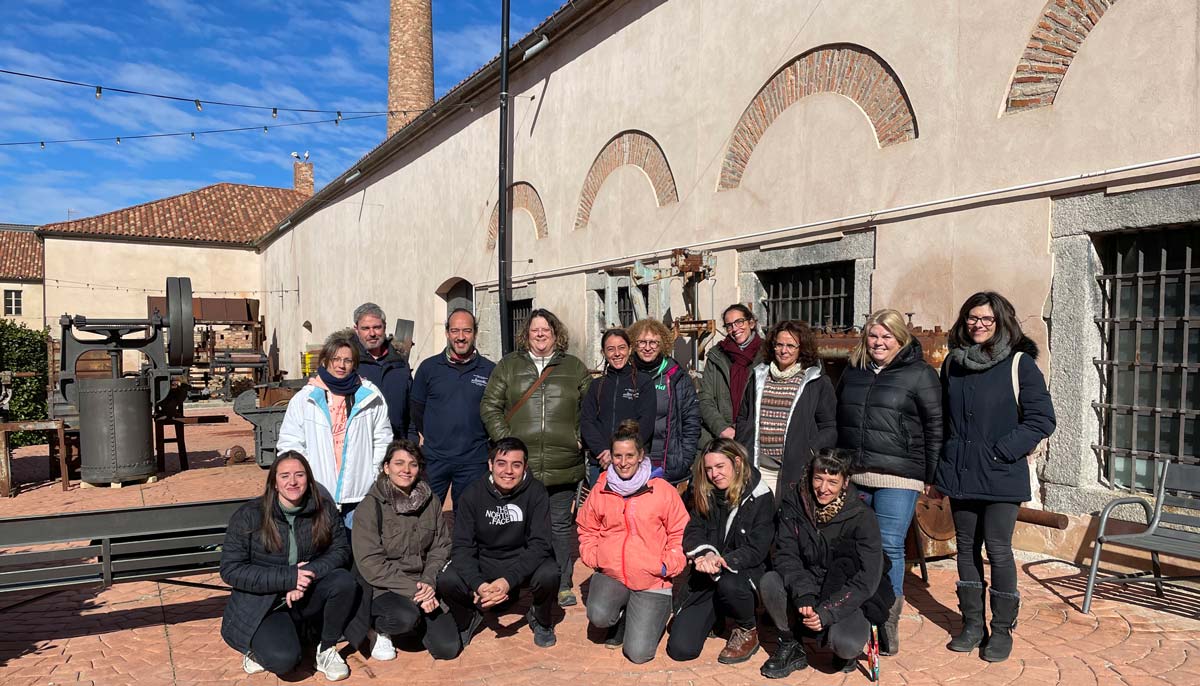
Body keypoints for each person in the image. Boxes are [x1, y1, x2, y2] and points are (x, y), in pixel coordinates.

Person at [936, 292, 1055, 663]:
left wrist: (1002, 451)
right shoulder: (953, 365)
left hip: (1001, 473)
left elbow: (1042, 419)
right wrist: (942, 463)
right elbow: (944, 419)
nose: (979, 325)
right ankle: (973, 625)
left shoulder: (1020, 364)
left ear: (1001, 322)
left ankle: (1001, 630)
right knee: (966, 548)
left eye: (987, 319)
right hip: (960, 472)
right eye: (972, 318)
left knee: (999, 550)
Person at [835, 308, 943, 655]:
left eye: (887, 337)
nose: (879, 342)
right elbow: (839, 417)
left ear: (900, 339)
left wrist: (931, 475)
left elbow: (935, 426)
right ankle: (856, 607)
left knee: (891, 546)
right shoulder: (854, 372)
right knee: (854, 543)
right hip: (856, 471)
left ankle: (886, 620)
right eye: (873, 336)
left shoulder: (920, 374)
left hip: (900, 474)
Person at [480, 309, 591, 607]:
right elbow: (490, 405)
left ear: (556, 334)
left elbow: (589, 407)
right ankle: (515, 581)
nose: (540, 335)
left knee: (558, 526)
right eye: (534, 330)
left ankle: (562, 581)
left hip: (562, 463)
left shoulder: (574, 367)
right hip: (519, 468)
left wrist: (579, 436)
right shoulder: (508, 366)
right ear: (526, 334)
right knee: (517, 524)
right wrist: (506, 442)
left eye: (546, 330)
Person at [759, 448, 894, 679]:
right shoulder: (794, 505)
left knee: (846, 644)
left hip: (844, 589)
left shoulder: (862, 516)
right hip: (806, 583)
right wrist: (804, 594)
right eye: (818, 478)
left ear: (845, 482)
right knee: (770, 581)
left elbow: (867, 577)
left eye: (832, 481)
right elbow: (785, 554)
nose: (823, 488)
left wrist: (828, 612)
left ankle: (843, 651)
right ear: (810, 475)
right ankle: (791, 643)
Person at [220, 451, 355, 681]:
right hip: (265, 604)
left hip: (305, 595)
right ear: (274, 482)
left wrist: (305, 575)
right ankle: (257, 647)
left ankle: (326, 649)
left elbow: (340, 550)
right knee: (284, 661)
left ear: (309, 480)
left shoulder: (323, 509)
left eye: (299, 475)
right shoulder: (249, 516)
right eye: (284, 476)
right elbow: (231, 569)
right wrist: (289, 577)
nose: (292, 482)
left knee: (343, 581)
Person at [576, 419, 689, 664]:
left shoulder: (661, 489)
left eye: (629, 455)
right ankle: (619, 613)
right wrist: (595, 556)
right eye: (617, 455)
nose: (623, 462)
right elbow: (586, 527)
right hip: (613, 573)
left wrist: (666, 566)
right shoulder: (601, 488)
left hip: (652, 578)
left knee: (638, 654)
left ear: (641, 456)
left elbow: (680, 531)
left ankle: (635, 615)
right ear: (611, 457)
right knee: (598, 615)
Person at [437, 437, 559, 649]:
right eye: (501, 463)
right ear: (491, 465)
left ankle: (541, 620)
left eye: (516, 465)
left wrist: (508, 581)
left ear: (525, 467)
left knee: (550, 572)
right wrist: (479, 584)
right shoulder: (472, 494)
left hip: (521, 561)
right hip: (485, 562)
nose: (508, 471)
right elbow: (462, 547)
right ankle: (467, 619)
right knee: (447, 578)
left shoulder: (536, 492)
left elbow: (540, 544)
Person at [348, 440, 460, 662]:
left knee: (448, 649)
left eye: (413, 464)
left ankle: (417, 622)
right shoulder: (370, 507)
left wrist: (428, 581)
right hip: (385, 586)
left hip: (423, 582)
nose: (406, 470)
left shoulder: (431, 500)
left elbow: (441, 545)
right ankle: (377, 628)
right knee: (404, 618)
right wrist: (415, 591)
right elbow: (371, 563)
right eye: (399, 463)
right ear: (386, 467)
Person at [666, 437, 773, 665]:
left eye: (720, 466)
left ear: (737, 462)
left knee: (729, 584)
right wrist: (705, 554)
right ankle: (715, 616)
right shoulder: (704, 492)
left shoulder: (760, 496)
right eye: (709, 469)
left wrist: (722, 560)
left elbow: (757, 548)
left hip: (742, 576)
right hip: (708, 575)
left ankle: (747, 627)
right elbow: (693, 530)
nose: (714, 474)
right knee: (680, 649)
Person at [277, 329, 393, 524]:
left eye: (347, 360)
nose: (341, 365)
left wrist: (373, 475)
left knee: (358, 549)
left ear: (354, 363)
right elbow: (291, 443)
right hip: (319, 493)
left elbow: (382, 439)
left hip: (360, 495)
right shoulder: (305, 399)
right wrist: (307, 477)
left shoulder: (370, 396)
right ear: (325, 360)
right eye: (336, 359)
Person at [735, 319, 836, 496]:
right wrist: (744, 443)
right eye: (779, 345)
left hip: (795, 469)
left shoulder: (815, 381)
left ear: (801, 348)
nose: (784, 350)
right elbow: (743, 416)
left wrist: (810, 451)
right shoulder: (758, 376)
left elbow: (828, 427)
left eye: (791, 345)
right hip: (758, 467)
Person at [410, 308, 496, 505]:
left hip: (474, 460)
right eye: (455, 331)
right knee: (426, 513)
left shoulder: (490, 370)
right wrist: (435, 434)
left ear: (475, 333)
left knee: (470, 517)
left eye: (466, 331)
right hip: (435, 459)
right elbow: (417, 409)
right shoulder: (429, 368)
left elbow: (496, 410)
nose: (461, 337)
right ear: (447, 333)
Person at [627, 318, 701, 485]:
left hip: (666, 463)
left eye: (654, 342)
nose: (647, 347)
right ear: (633, 344)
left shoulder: (676, 376)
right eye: (642, 342)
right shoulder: (626, 374)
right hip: (629, 464)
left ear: (663, 345)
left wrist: (684, 459)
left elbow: (692, 421)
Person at [580, 328, 655, 485]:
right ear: (603, 353)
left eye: (621, 347)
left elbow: (646, 423)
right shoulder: (596, 385)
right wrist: (602, 450)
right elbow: (587, 422)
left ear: (629, 349)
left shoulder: (643, 382)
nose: (617, 354)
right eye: (610, 349)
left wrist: (621, 454)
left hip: (631, 464)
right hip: (601, 463)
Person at [353, 302, 418, 441]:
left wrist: (412, 442)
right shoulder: (349, 363)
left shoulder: (400, 363)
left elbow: (411, 409)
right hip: (361, 447)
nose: (372, 333)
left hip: (397, 446)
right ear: (356, 330)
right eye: (365, 328)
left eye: (377, 327)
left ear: (384, 327)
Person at [698, 304, 763, 441]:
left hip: (756, 436)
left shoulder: (766, 354)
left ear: (751, 323)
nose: (734, 329)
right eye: (729, 325)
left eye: (739, 322)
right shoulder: (717, 355)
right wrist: (722, 429)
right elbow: (705, 398)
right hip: (722, 436)